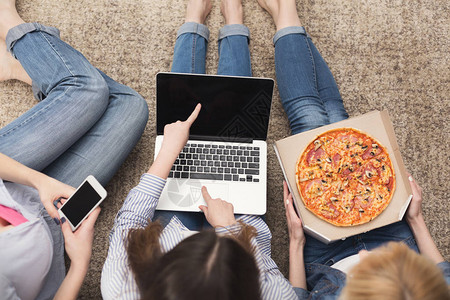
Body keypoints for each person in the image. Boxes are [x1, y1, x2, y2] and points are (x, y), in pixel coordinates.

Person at [101, 0, 300, 299]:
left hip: (182, 235)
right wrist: (231, 229)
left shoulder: (122, 290)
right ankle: (233, 28)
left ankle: (194, 22)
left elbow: (129, 224)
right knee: (237, 126)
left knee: (181, 121)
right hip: (238, 238)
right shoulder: (268, 293)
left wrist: (168, 153)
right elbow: (283, 287)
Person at [256, 0, 450, 298]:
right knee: (337, 121)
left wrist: (295, 241)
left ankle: (286, 15)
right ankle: (286, 16)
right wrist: (416, 218)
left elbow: (296, 296)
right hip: (393, 233)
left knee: (310, 118)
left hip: (327, 251)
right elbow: (442, 278)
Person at [0, 0, 149, 298]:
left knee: (88, 88)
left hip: (7, 178)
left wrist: (38, 180)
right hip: (52, 225)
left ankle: (7, 21)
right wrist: (80, 262)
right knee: (132, 107)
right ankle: (28, 71)